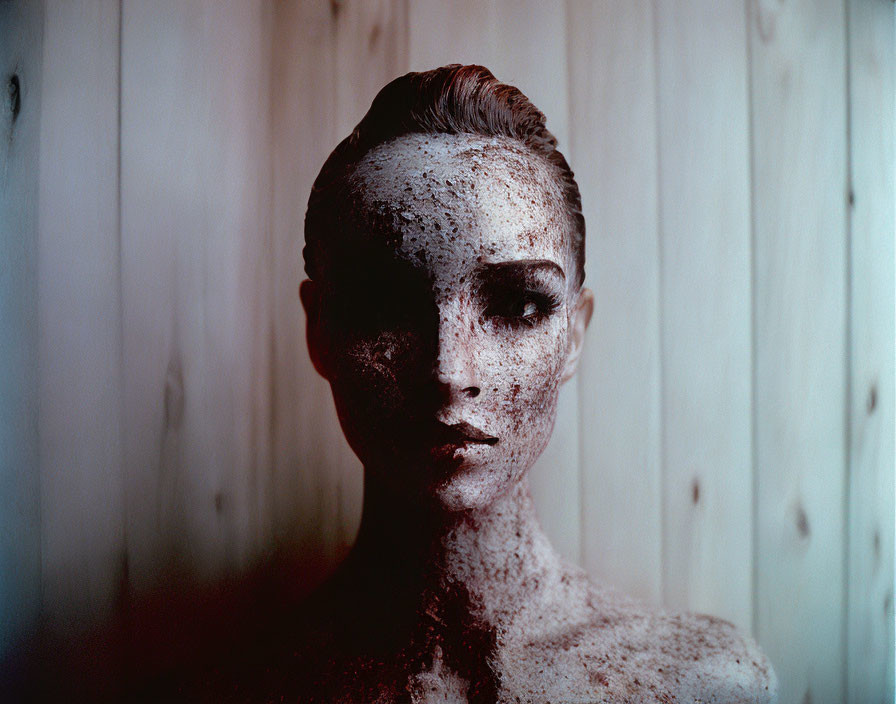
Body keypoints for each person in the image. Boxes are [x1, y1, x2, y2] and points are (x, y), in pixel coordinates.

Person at [206, 64, 777, 703]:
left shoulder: (702, 684)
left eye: (516, 305)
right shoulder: (242, 689)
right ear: (321, 331)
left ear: (573, 334)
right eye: (384, 307)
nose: (450, 372)